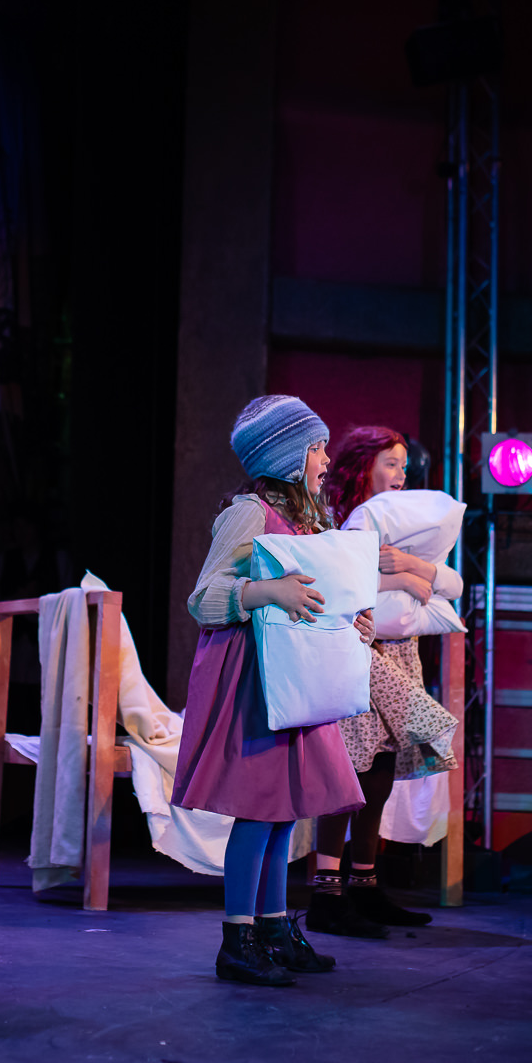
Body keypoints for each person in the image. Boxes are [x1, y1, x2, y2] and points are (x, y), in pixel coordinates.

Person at [177, 395, 368, 986]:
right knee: (259, 810)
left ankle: (274, 927)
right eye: (316, 448)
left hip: (296, 676)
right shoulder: (249, 514)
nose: (326, 459)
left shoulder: (312, 522)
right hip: (256, 680)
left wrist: (350, 620)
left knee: (285, 812)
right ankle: (237, 940)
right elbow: (204, 599)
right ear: (286, 456)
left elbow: (316, 597)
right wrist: (267, 592)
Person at [308, 426, 462, 938]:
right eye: (390, 464)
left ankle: (365, 884)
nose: (400, 475)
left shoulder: (405, 529)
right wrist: (402, 579)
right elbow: (334, 582)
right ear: (363, 466)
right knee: (350, 768)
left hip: (399, 653)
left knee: (379, 770)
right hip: (358, 651)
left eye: (403, 466)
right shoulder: (337, 520)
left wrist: (412, 565)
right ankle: (326, 893)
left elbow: (453, 583)